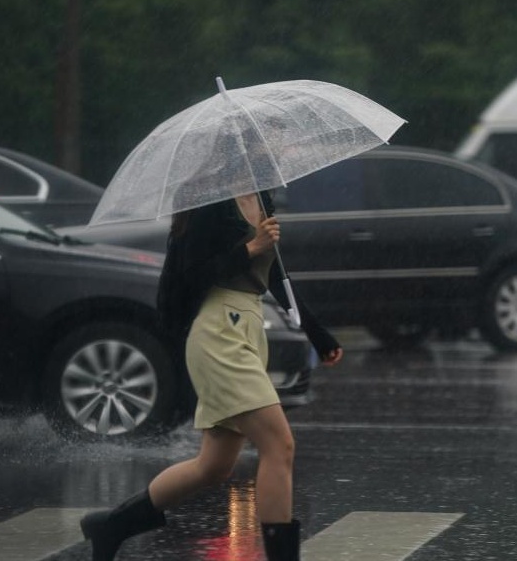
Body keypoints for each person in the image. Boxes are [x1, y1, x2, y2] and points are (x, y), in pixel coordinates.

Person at [80, 189, 343, 561]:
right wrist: (250, 248)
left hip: (249, 328)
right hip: (219, 332)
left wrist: (316, 334)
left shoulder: (261, 199)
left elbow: (276, 275)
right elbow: (192, 275)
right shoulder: (210, 206)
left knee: (214, 466)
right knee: (279, 446)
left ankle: (111, 526)